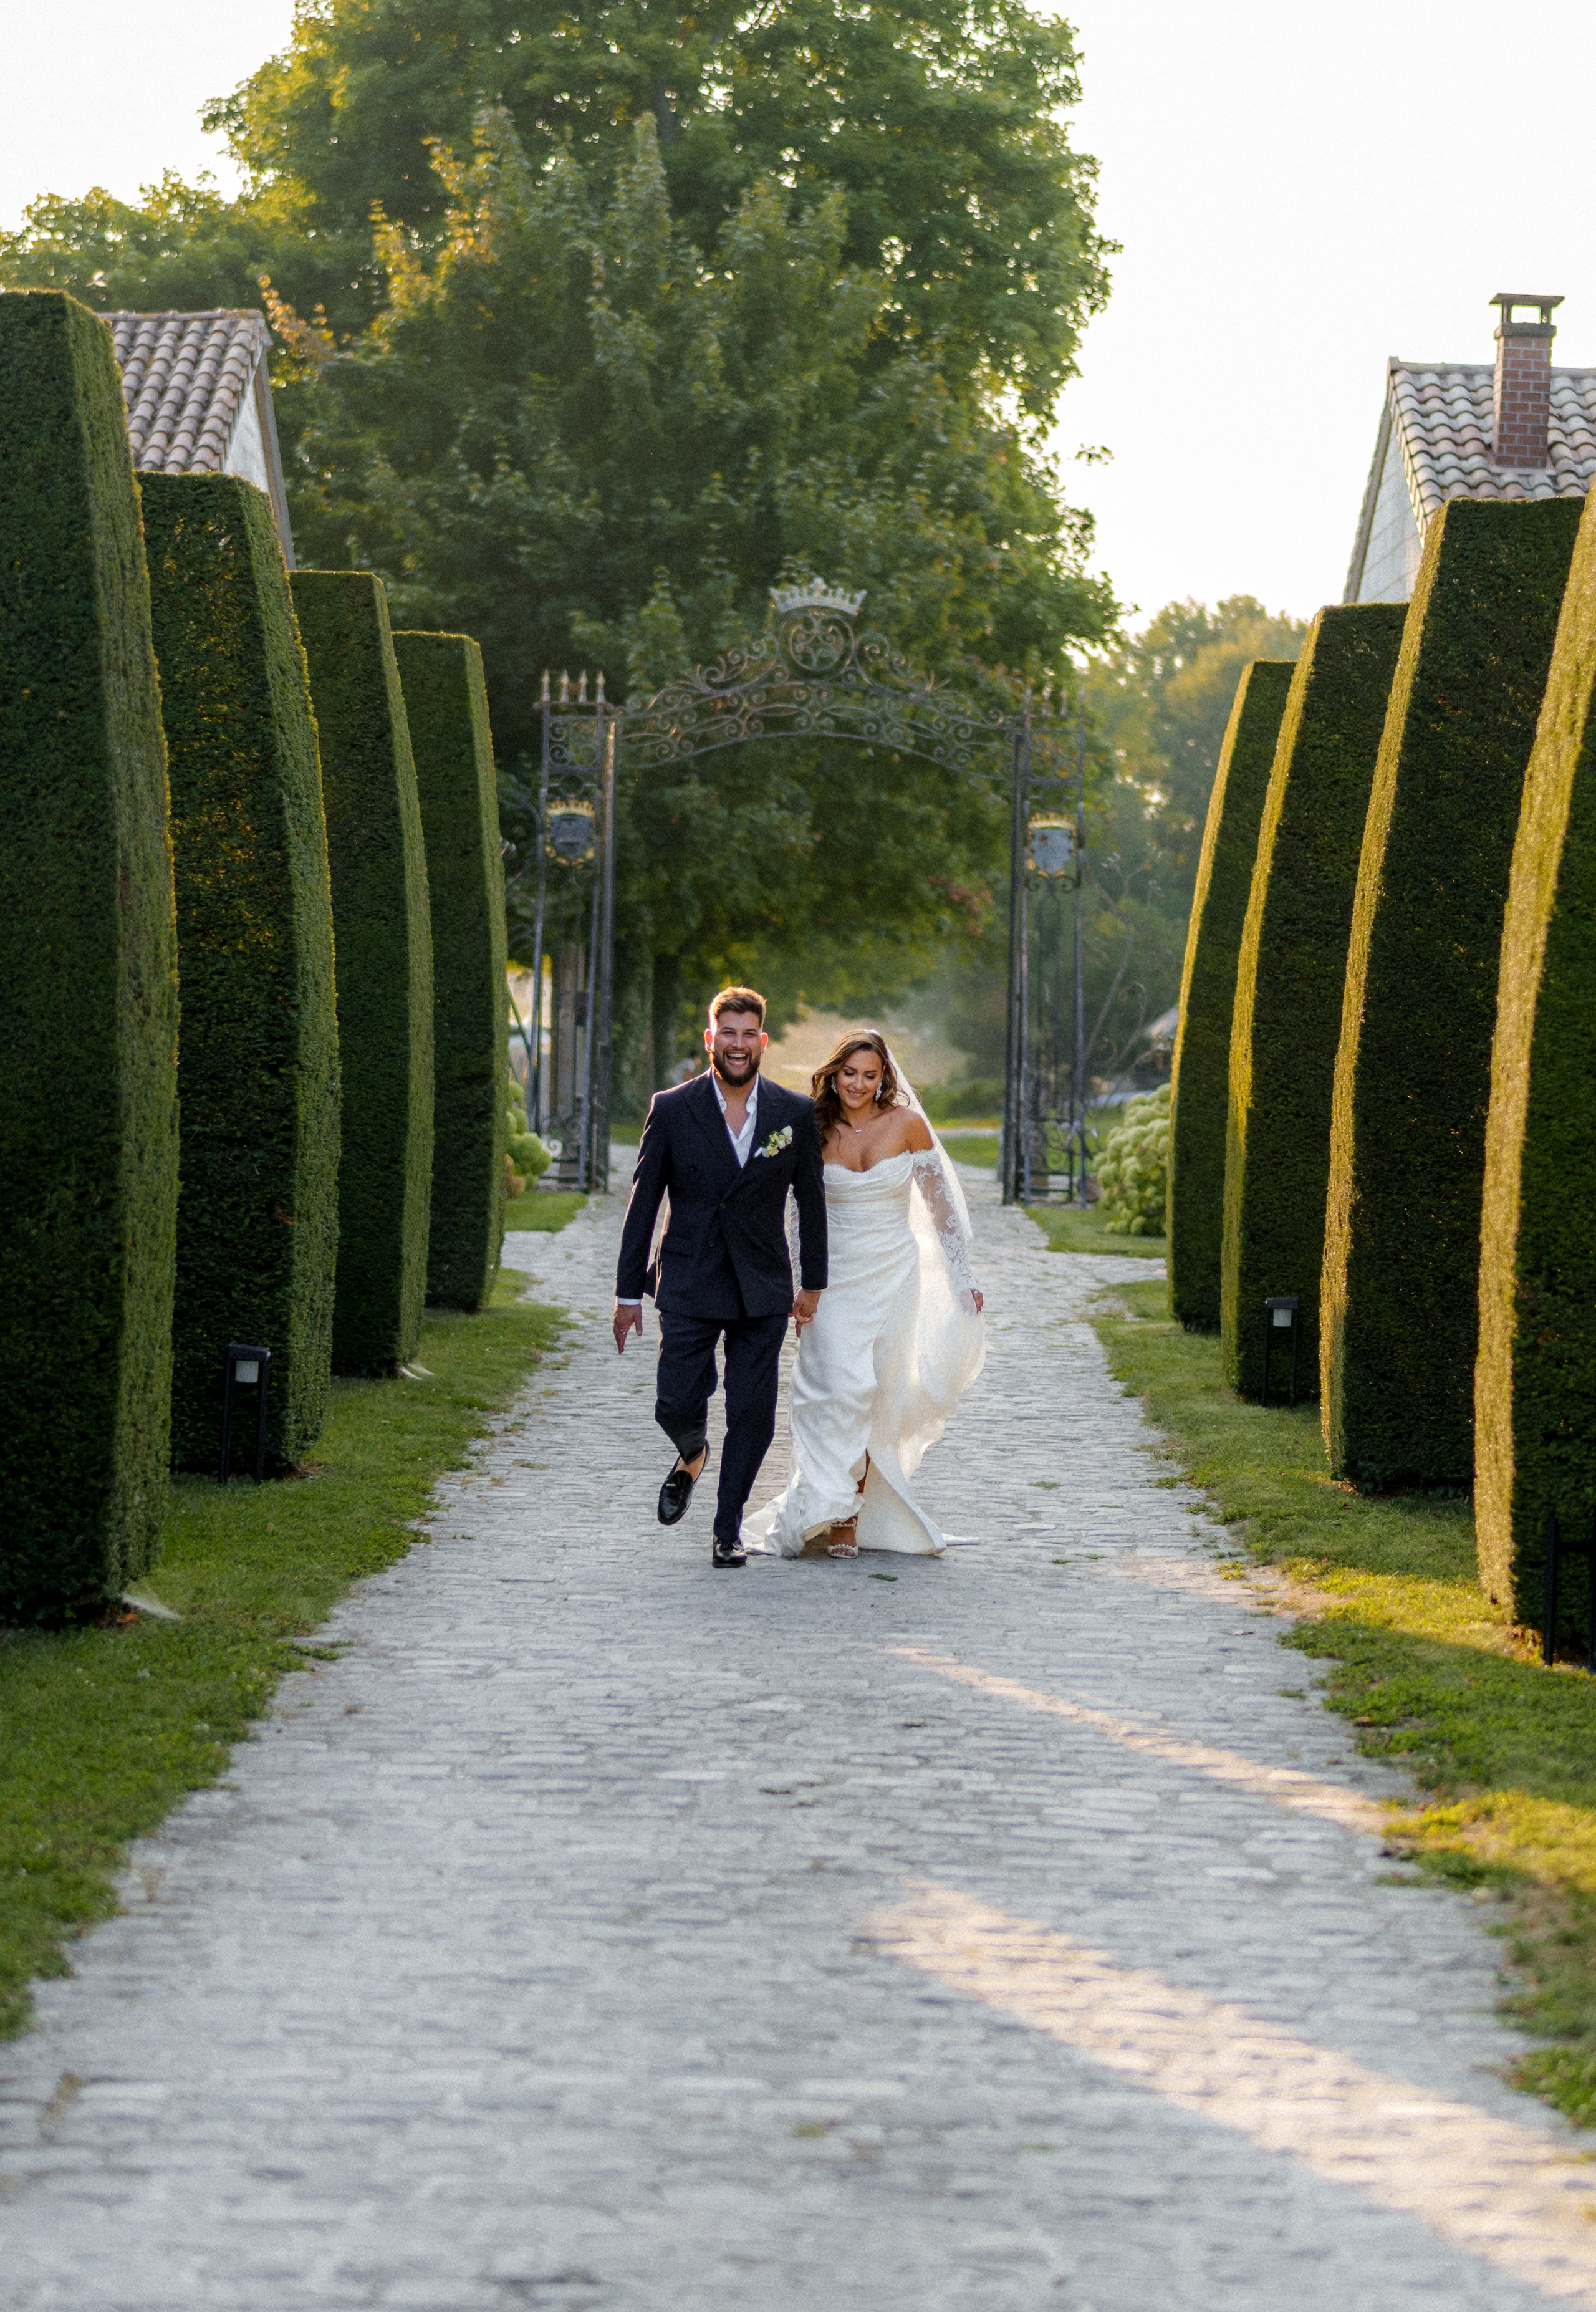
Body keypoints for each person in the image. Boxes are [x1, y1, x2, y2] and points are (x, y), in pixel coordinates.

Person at [743, 1030, 984, 1561]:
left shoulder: (908, 1126)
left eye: (869, 1075)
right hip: (832, 1280)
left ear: (884, 1078)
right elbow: (795, 1210)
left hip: (893, 1277)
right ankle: (819, 1499)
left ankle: (848, 1513)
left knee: (873, 1393)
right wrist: (800, 1281)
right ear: (835, 1074)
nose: (858, 1084)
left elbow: (941, 1207)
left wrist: (962, 1276)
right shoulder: (813, 1127)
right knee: (830, 1390)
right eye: (849, 1073)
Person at [613, 986, 827, 1568]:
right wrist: (627, 1292)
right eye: (726, 1033)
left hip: (761, 1286)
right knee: (675, 1399)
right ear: (711, 1040)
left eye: (747, 1034)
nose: (737, 1044)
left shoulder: (794, 1114)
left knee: (753, 1415)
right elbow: (643, 1202)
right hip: (688, 1278)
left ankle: (727, 1527)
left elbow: (811, 1202)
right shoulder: (673, 1108)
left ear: (763, 1041)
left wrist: (813, 1284)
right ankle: (692, 1451)